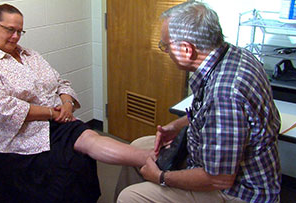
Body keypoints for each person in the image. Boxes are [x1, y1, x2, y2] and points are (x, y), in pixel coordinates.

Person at [0, 4, 150, 203]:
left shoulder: (30, 55)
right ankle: (151, 159)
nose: (16, 37)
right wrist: (52, 113)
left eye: (20, 31)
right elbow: (3, 109)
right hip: (10, 135)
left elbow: (60, 82)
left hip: (50, 121)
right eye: (10, 30)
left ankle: (148, 158)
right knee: (66, 165)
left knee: (88, 137)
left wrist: (67, 102)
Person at [115, 1, 281, 203]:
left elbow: (220, 179)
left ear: (186, 50)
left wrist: (161, 177)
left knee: (129, 197)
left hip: (238, 191)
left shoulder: (225, 94)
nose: (165, 51)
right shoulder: (231, 54)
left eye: (165, 46)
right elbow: (208, 112)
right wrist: (176, 125)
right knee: (138, 147)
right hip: (207, 158)